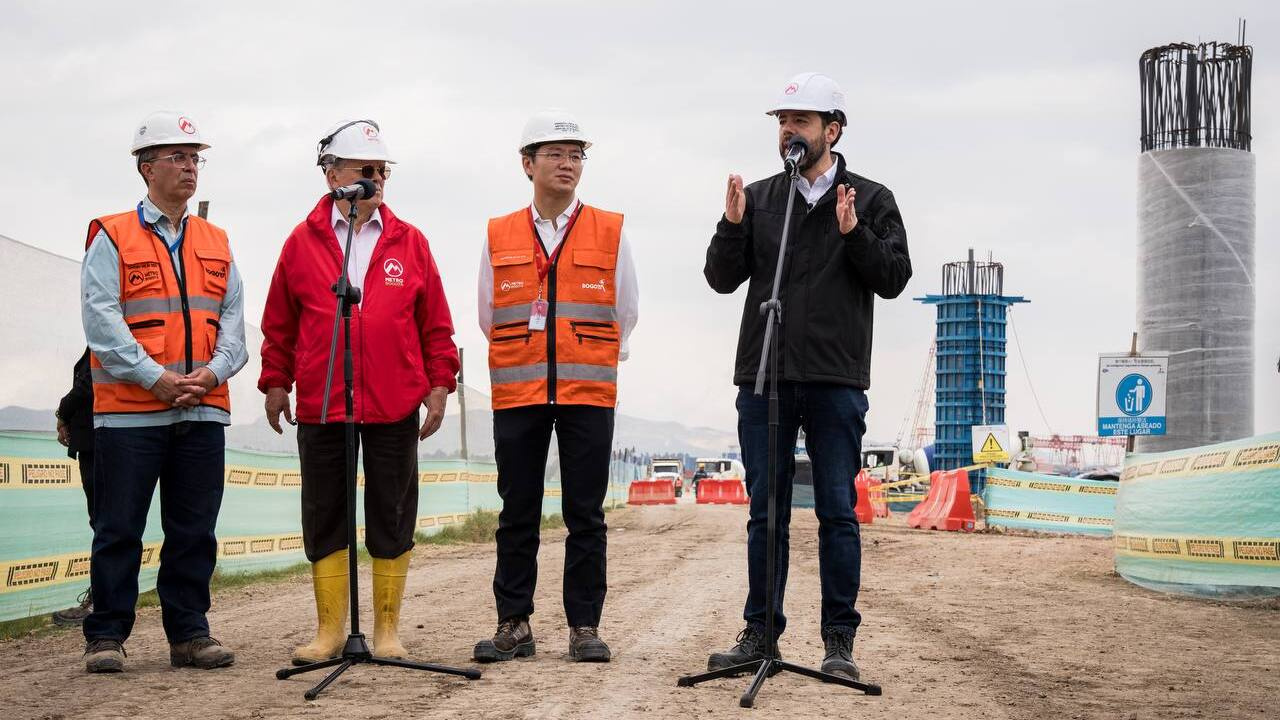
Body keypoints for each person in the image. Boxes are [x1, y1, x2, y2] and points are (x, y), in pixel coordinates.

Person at [702, 73, 912, 680]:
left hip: (835, 380)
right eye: (781, 122)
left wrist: (854, 234)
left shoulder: (870, 199)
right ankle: (760, 633)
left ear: (833, 130)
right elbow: (720, 277)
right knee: (766, 512)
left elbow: (894, 277)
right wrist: (733, 225)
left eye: (800, 121)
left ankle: (839, 642)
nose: (788, 131)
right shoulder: (764, 197)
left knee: (836, 512)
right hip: (765, 377)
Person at [259, 119, 459, 665]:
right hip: (324, 400)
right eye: (365, 169)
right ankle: (330, 632)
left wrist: (441, 382)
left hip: (394, 400)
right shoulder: (301, 242)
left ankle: (388, 631)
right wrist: (276, 380)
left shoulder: (410, 241)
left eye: (382, 171)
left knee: (393, 510)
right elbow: (279, 320)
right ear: (332, 176)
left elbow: (435, 323)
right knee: (325, 510)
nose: (376, 179)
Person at [80, 111, 248, 673]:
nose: (189, 167)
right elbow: (101, 321)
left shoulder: (216, 240)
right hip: (129, 414)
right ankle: (106, 636)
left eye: (195, 158)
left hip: (202, 411)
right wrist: (158, 378)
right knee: (119, 529)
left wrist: (212, 373)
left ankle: (189, 634)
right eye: (177, 157)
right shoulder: (111, 234)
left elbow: (233, 325)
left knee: (194, 531)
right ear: (146, 167)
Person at [473, 110, 639, 663]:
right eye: (555, 154)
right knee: (515, 511)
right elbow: (487, 312)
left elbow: (626, 309)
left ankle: (584, 627)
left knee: (585, 515)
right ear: (528, 164)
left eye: (576, 156)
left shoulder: (610, 228)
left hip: (587, 392)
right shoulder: (499, 232)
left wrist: (584, 354)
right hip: (519, 393)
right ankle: (513, 624)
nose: (568, 164)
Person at [51, 349, 95, 626]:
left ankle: (101, 602)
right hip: (96, 439)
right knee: (104, 523)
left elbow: (87, 384)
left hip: (98, 440)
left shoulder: (106, 333)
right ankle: (103, 597)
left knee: (105, 524)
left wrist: (62, 411)